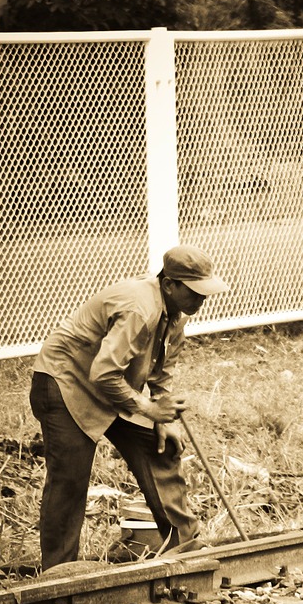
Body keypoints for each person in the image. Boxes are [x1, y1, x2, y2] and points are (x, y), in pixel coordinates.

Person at [29, 244, 230, 569]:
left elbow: (161, 371)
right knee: (70, 478)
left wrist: (162, 414)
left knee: (162, 446)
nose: (201, 299)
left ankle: (187, 553)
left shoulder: (175, 316)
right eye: (194, 292)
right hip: (67, 381)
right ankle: (59, 574)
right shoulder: (141, 308)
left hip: (114, 385)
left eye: (204, 292)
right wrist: (148, 409)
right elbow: (103, 371)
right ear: (169, 284)